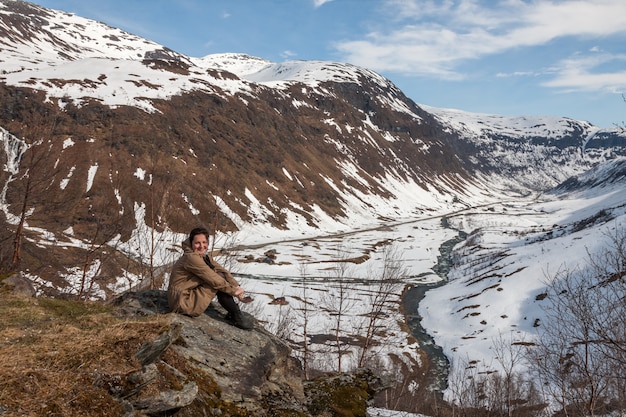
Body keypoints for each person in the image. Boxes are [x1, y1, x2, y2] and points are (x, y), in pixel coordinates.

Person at [168, 227, 254, 330]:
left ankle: (234, 313)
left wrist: (236, 287)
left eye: (204, 242)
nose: (201, 246)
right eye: (197, 243)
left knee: (219, 276)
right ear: (191, 243)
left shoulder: (203, 256)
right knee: (216, 281)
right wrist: (233, 291)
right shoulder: (191, 258)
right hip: (181, 302)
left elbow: (223, 271)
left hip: (185, 296)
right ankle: (236, 315)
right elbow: (214, 279)